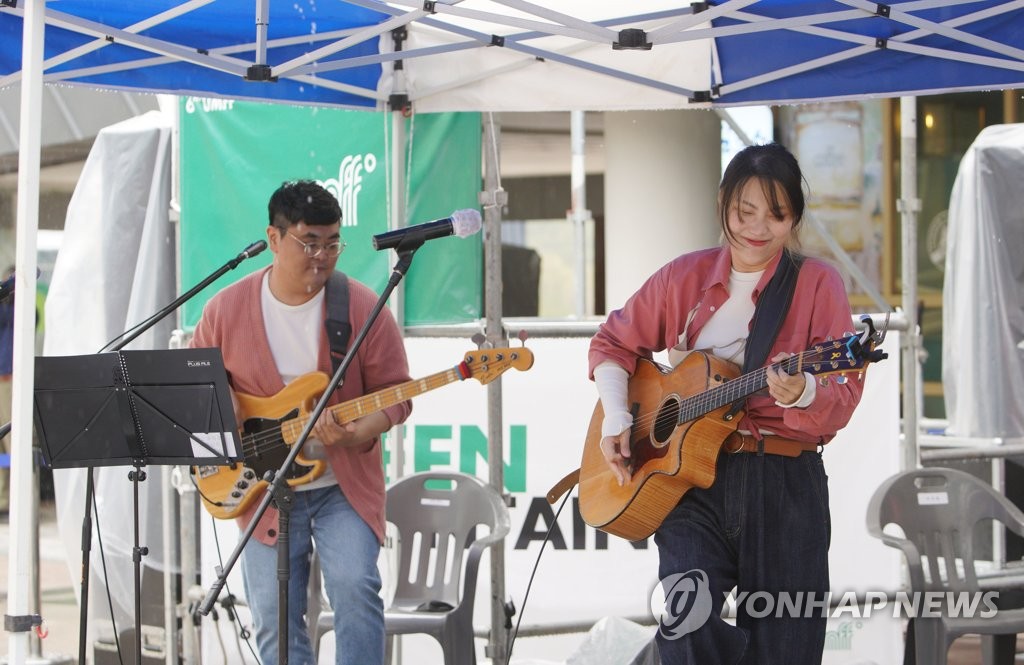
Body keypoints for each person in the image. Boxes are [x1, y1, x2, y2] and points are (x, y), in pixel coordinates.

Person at [589, 143, 865, 665]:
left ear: (794, 219)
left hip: (784, 483)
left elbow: (843, 395)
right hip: (690, 481)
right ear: (723, 205)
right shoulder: (683, 277)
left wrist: (803, 390)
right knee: (690, 625)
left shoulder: (817, 283)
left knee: (786, 650)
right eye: (745, 211)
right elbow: (613, 343)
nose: (758, 227)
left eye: (777, 215)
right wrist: (620, 416)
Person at [191, 180, 412, 665]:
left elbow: (396, 396)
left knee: (357, 592)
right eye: (309, 242)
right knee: (273, 616)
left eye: (333, 242)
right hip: (261, 487)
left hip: (342, 485)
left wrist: (358, 431)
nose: (323, 255)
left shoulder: (359, 306)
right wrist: (231, 417)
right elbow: (197, 388)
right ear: (273, 238)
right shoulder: (225, 310)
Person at [0, 265, 13, 515]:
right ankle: (2, 498)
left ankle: (15, 498)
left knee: (14, 444)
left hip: (11, 383)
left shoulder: (19, 313)